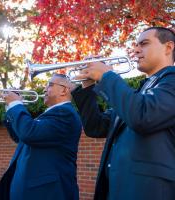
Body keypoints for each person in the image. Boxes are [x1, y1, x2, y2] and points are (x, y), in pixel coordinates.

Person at [71, 27, 175, 200]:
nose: (135, 50)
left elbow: (142, 116)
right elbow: (96, 127)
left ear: (168, 47)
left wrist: (107, 76)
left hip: (149, 192)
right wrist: (87, 87)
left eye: (144, 43)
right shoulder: (139, 92)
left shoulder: (171, 82)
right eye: (135, 45)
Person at [0, 73, 82, 200]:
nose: (44, 89)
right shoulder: (52, 114)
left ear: (64, 90)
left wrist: (15, 104)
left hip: (47, 193)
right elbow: (20, 137)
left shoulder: (65, 114)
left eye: (50, 85)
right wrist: (10, 106)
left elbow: (28, 133)